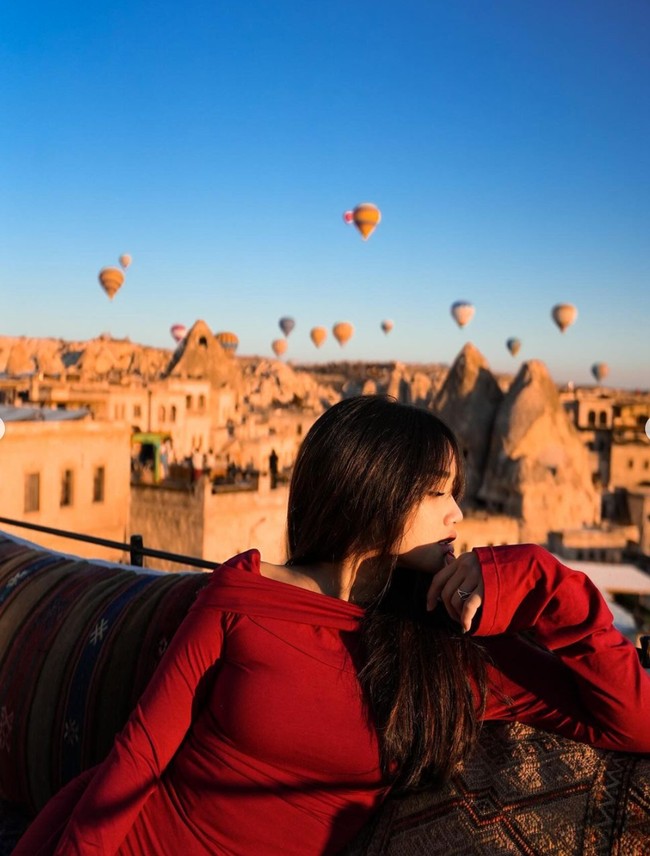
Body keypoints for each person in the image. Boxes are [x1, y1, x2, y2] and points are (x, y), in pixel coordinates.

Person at [14, 396, 650, 856]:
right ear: (373, 492)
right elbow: (141, 754)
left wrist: (542, 579)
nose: (459, 513)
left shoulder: (446, 653)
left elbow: (632, 719)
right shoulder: (241, 594)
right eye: (437, 492)